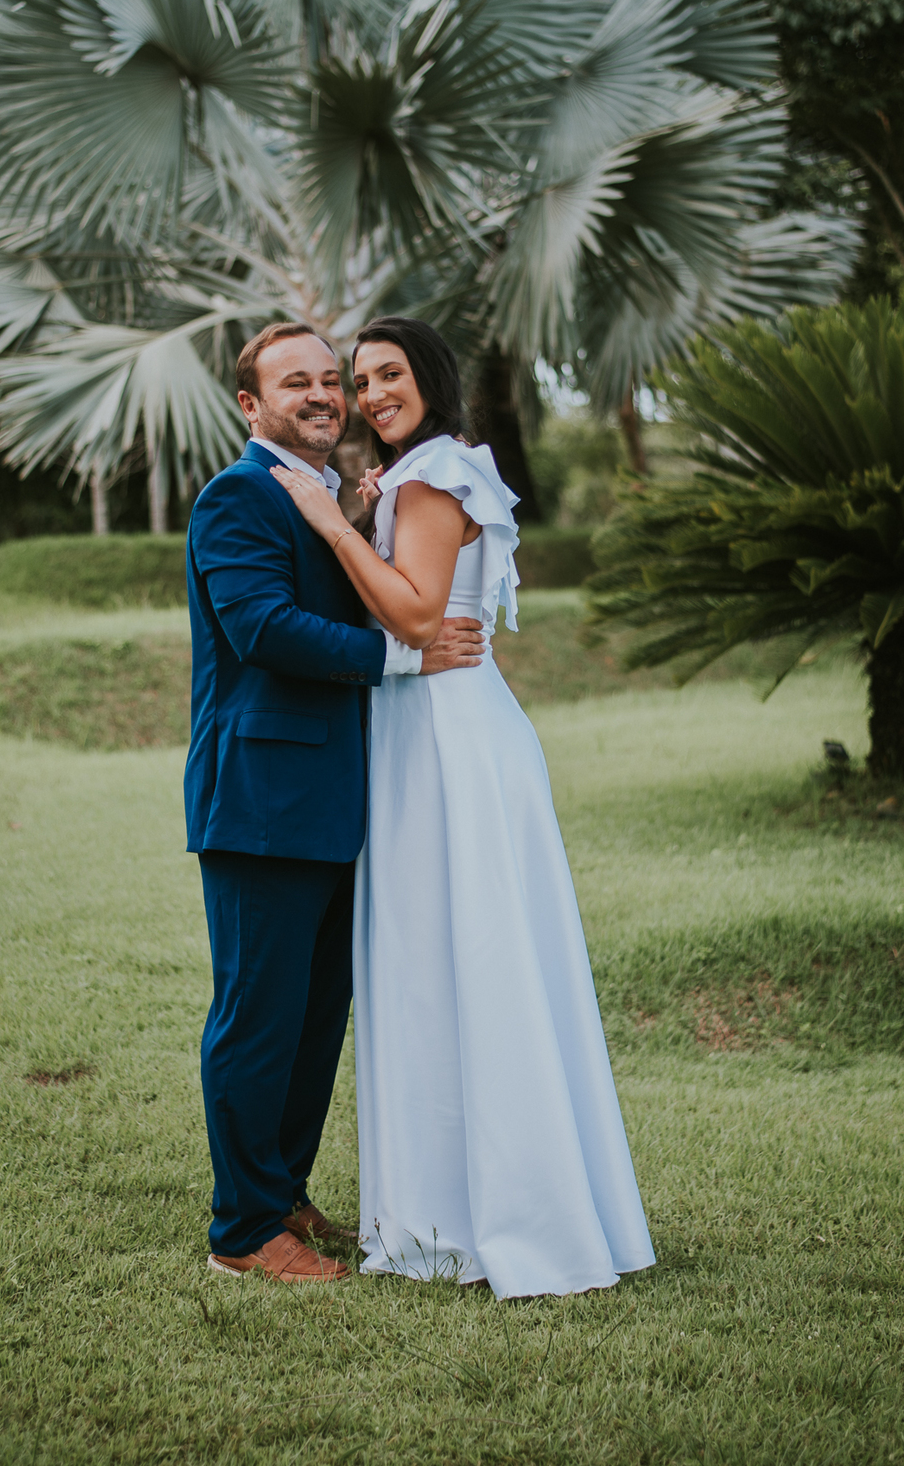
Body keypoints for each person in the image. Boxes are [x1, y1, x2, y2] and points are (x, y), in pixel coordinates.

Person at [268, 315, 655, 1301]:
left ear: (430, 378)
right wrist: (364, 518)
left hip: (445, 741)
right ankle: (448, 1215)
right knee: (431, 969)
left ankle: (503, 1218)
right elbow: (402, 595)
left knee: (469, 966)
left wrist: (327, 525)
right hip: (421, 733)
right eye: (362, 382)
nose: (372, 394)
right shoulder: (416, 477)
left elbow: (412, 614)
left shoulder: (434, 475)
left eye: (389, 374)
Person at [184, 321, 485, 1285]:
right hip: (261, 800)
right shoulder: (237, 497)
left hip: (339, 798)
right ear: (251, 405)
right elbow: (264, 628)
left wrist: (360, 526)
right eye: (296, 383)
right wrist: (402, 654)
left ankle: (284, 1192)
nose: (322, 395)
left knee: (318, 1013)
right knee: (259, 1012)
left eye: (331, 381)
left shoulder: (329, 494)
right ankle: (242, 1230)